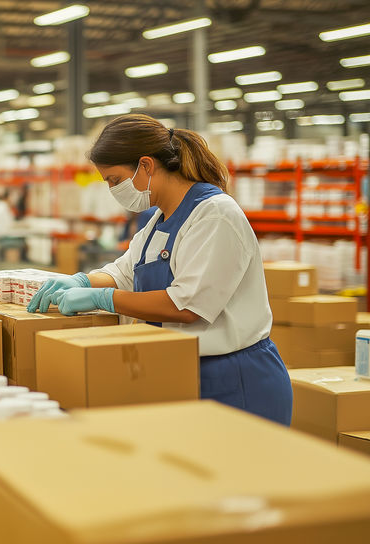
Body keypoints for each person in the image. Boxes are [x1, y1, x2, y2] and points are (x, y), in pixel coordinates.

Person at [27, 114, 292, 426]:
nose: (113, 190)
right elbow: (125, 271)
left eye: (115, 180)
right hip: (183, 369)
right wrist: (80, 280)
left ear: (146, 166)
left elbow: (187, 305)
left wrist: (103, 299)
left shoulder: (215, 215)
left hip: (234, 378)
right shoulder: (160, 219)